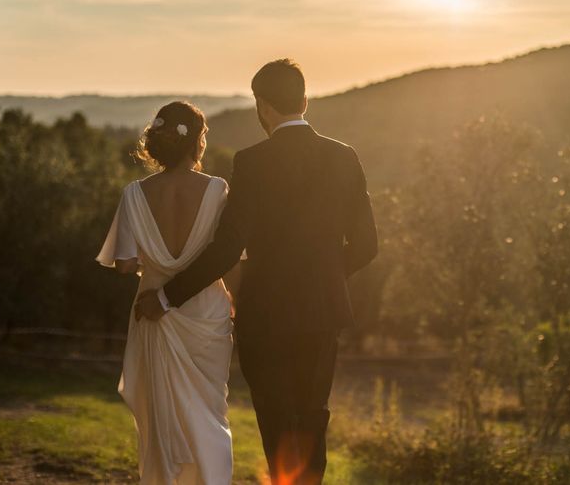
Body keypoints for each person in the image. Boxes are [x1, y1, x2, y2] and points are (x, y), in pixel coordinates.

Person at [136, 59, 378, 484]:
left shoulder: (251, 162)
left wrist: (168, 295)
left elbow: (227, 247)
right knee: (312, 417)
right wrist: (321, 276)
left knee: (276, 419)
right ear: (305, 100)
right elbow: (367, 246)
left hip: (265, 314)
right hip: (322, 313)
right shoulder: (345, 157)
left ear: (262, 106)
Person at [97, 101, 238, 484]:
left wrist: (156, 264)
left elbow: (124, 263)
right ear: (197, 142)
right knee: (210, 412)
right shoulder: (216, 189)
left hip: (151, 305)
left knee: (162, 413)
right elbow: (226, 255)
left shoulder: (134, 194)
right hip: (206, 311)